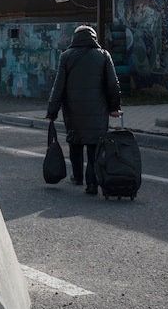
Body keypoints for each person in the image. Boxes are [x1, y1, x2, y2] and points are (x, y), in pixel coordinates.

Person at [45, 25, 122, 194]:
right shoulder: (103, 55)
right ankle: (92, 183)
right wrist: (114, 107)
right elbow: (112, 84)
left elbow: (58, 87)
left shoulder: (66, 56)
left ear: (75, 38)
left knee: (76, 143)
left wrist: (52, 112)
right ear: (94, 38)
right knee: (95, 146)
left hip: (73, 111)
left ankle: (78, 176)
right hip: (98, 111)